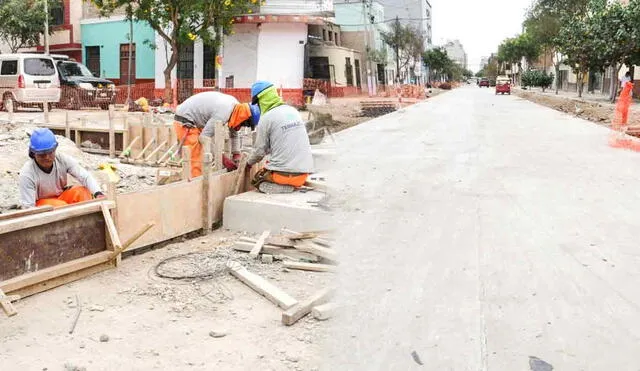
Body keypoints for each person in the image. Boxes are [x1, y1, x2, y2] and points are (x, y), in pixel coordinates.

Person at [246, 81, 314, 194]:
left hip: (283, 176)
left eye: (258, 103)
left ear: (262, 100)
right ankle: (293, 184)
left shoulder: (266, 118)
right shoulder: (293, 111)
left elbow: (259, 152)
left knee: (258, 180)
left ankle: (284, 187)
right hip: (303, 176)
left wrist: (248, 164)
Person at [173, 91, 260, 177]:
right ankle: (194, 187)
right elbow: (204, 138)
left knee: (203, 155)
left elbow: (234, 132)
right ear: (244, 118)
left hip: (197, 119)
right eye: (244, 124)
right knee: (196, 158)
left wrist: (236, 154)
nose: (241, 127)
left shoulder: (237, 108)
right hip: (186, 119)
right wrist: (222, 159)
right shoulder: (222, 114)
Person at [19, 128, 105, 208]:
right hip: (42, 205)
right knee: (61, 206)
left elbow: (84, 176)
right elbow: (28, 207)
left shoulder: (62, 159)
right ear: (33, 153)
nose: (47, 157)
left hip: (61, 197)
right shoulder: (27, 173)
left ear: (55, 149)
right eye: (42, 154)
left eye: (50, 152)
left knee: (83, 192)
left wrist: (98, 193)